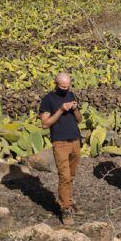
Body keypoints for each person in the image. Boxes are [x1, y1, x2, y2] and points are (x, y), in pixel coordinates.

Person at [39, 72, 83, 224]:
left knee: (71, 175)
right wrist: (61, 110)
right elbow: (45, 123)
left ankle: (68, 200)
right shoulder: (48, 99)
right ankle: (65, 210)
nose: (66, 89)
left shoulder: (72, 94)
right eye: (62, 86)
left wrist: (75, 109)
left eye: (68, 86)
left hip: (75, 140)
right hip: (60, 142)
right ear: (55, 84)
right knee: (64, 176)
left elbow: (79, 119)